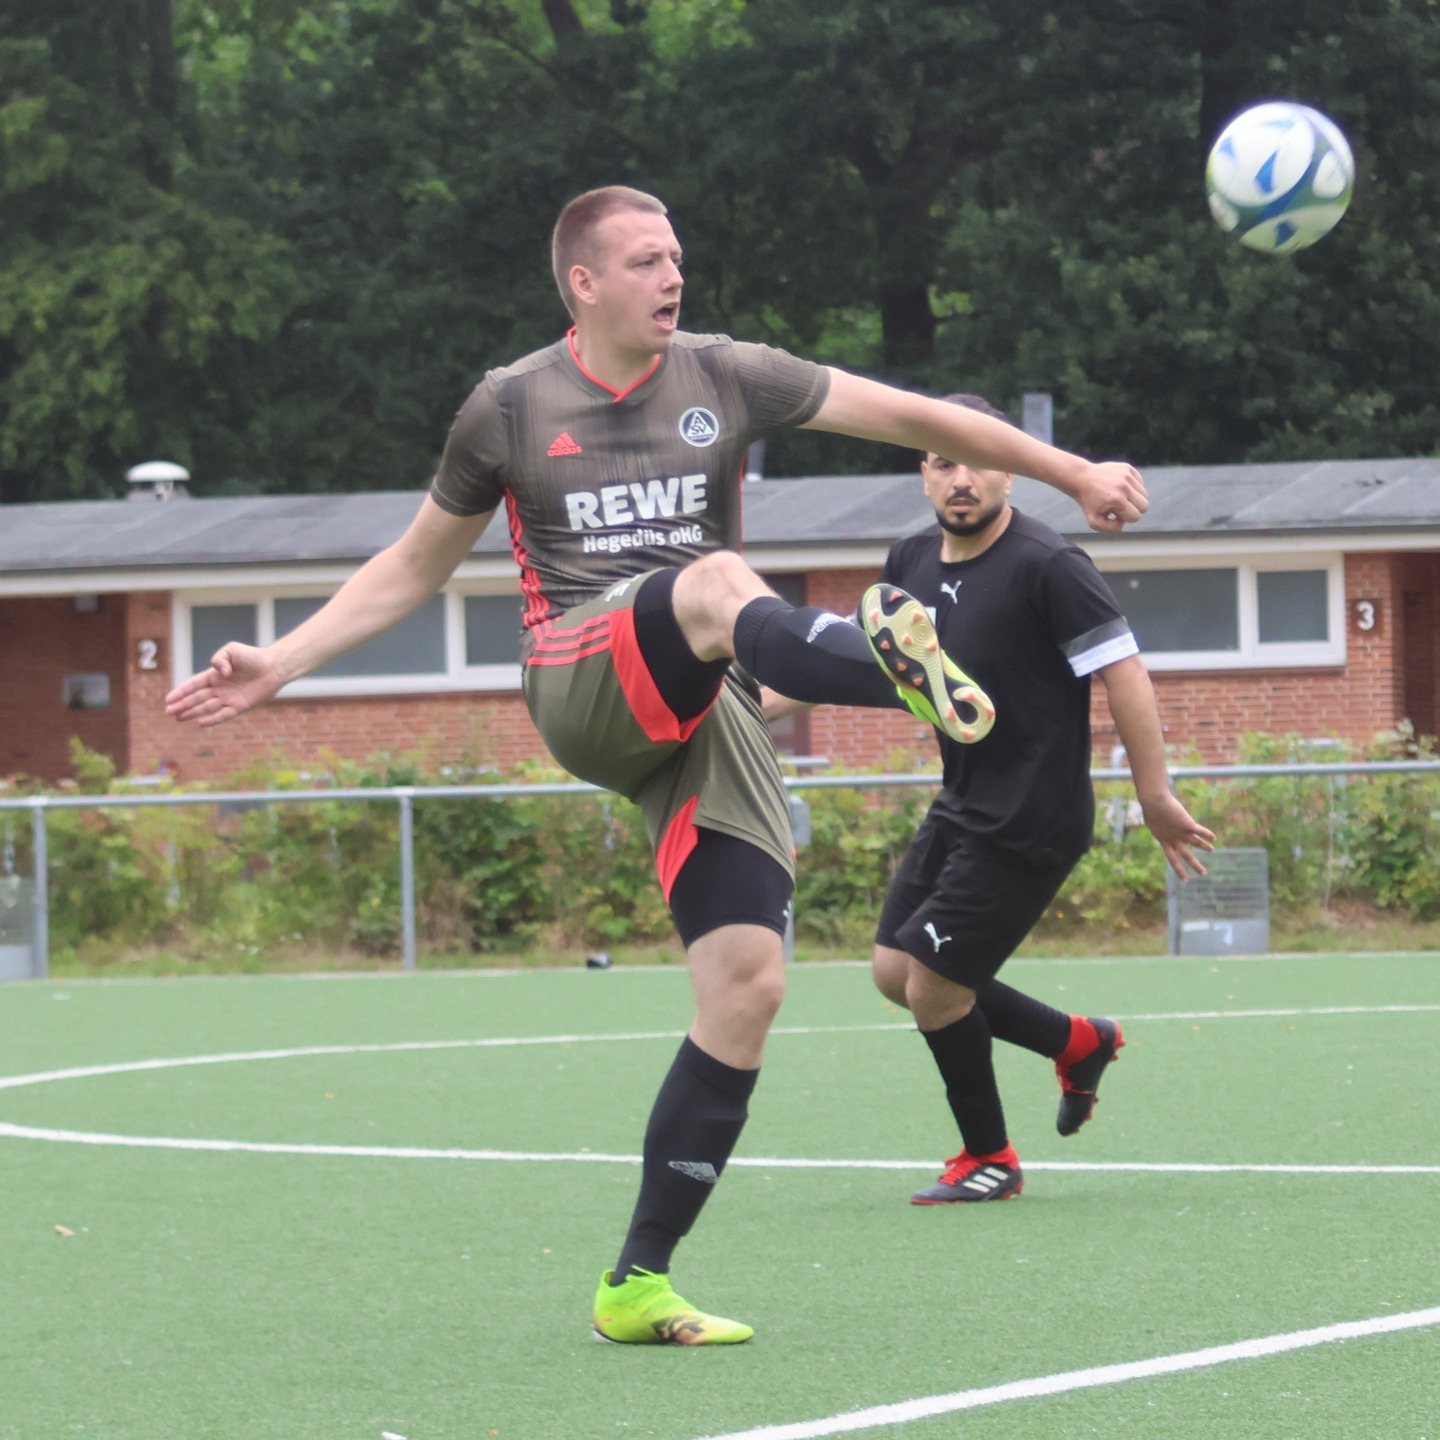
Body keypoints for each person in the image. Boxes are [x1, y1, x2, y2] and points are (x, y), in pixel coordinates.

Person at [164, 188, 1151, 1344]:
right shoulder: (510, 407)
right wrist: (281, 660)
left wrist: (1073, 470)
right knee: (719, 583)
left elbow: (917, 414)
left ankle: (637, 1281)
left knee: (748, 983)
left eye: (677, 255)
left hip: (706, 703)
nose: (672, 276)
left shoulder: (726, 372)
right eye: (645, 260)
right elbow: (414, 563)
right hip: (581, 675)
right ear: (584, 284)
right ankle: (887, 666)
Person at [775, 393, 1214, 1206]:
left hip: (1034, 814)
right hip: (964, 801)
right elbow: (868, 666)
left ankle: (990, 1159)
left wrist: (1153, 794)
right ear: (923, 476)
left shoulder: (1050, 566)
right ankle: (1076, 1041)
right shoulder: (907, 563)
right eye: (942, 463)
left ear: (1010, 467)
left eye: (975, 460)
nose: (961, 478)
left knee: (937, 986)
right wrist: (740, 709)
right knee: (894, 971)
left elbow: (1126, 675)